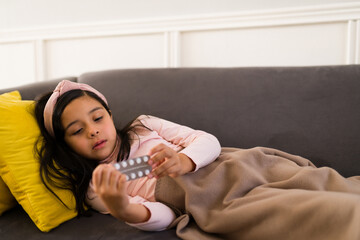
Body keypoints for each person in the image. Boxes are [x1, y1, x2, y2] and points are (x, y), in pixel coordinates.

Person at [34, 80, 221, 231]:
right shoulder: (97, 187)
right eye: (77, 130)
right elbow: (168, 216)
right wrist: (124, 209)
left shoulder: (144, 126)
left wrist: (183, 160)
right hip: (206, 206)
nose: (92, 131)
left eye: (98, 118)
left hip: (224, 171)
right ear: (66, 145)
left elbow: (208, 141)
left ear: (110, 116)